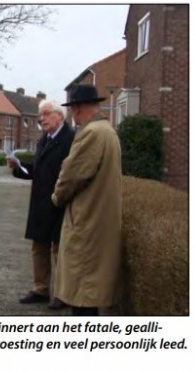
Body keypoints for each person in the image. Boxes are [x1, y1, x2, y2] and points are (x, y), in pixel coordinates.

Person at [52, 84, 123, 316]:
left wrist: (57, 197)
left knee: (82, 295)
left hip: (87, 223)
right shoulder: (109, 131)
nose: (73, 115)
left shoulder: (92, 134)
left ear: (80, 107)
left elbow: (71, 175)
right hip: (99, 221)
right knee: (89, 295)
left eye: (73, 109)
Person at [8, 100, 73, 310]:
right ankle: (41, 288)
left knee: (59, 250)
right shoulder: (45, 139)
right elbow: (39, 168)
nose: (41, 119)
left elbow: (71, 173)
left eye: (45, 114)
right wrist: (18, 168)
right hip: (40, 202)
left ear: (59, 116)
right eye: (40, 115)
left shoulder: (70, 140)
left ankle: (64, 294)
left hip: (59, 202)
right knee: (39, 247)